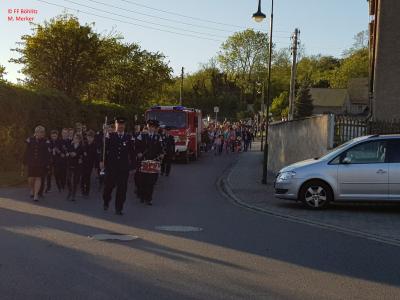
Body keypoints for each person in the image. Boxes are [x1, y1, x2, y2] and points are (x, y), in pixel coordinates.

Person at [101, 117, 134, 215]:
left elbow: (132, 152)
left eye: (122, 125)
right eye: (118, 125)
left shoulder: (128, 137)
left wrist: (133, 166)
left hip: (123, 168)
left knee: (122, 189)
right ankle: (106, 201)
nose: (120, 127)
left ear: (124, 126)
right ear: (115, 126)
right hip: (111, 167)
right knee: (108, 187)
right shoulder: (110, 136)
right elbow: (103, 149)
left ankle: (119, 208)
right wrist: (101, 161)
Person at [135, 119, 163, 206]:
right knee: (142, 180)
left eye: (153, 127)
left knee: (151, 181)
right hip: (143, 160)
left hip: (153, 161)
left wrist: (161, 155)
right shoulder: (142, 136)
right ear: (147, 127)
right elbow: (136, 146)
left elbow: (161, 149)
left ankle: (149, 198)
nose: (151, 128)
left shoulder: (158, 137)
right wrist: (138, 153)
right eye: (150, 127)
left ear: (155, 128)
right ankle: (142, 195)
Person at [23, 125, 50, 202]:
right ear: (35, 133)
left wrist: (48, 163)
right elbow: (26, 151)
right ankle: (32, 189)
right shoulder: (30, 140)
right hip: (31, 162)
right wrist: (24, 160)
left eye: (42, 132)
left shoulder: (46, 141)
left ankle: (36, 195)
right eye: (38, 132)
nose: (40, 134)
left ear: (44, 133)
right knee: (30, 178)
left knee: (38, 178)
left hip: (41, 163)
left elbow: (47, 154)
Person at [66, 133, 84, 201]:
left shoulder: (82, 147)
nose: (75, 139)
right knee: (68, 179)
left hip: (77, 165)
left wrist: (79, 157)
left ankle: (73, 194)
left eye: (76, 138)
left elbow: (83, 154)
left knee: (75, 180)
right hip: (70, 163)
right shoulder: (71, 145)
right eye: (74, 138)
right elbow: (67, 152)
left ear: (79, 140)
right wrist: (68, 154)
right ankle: (70, 190)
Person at [81, 130, 99, 197]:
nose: (90, 138)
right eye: (88, 136)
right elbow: (80, 152)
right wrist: (82, 155)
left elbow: (96, 156)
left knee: (87, 177)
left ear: (93, 138)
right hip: (83, 163)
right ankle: (82, 189)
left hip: (90, 164)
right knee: (83, 176)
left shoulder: (95, 145)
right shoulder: (84, 144)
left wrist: (96, 164)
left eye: (91, 137)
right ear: (87, 137)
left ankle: (87, 191)